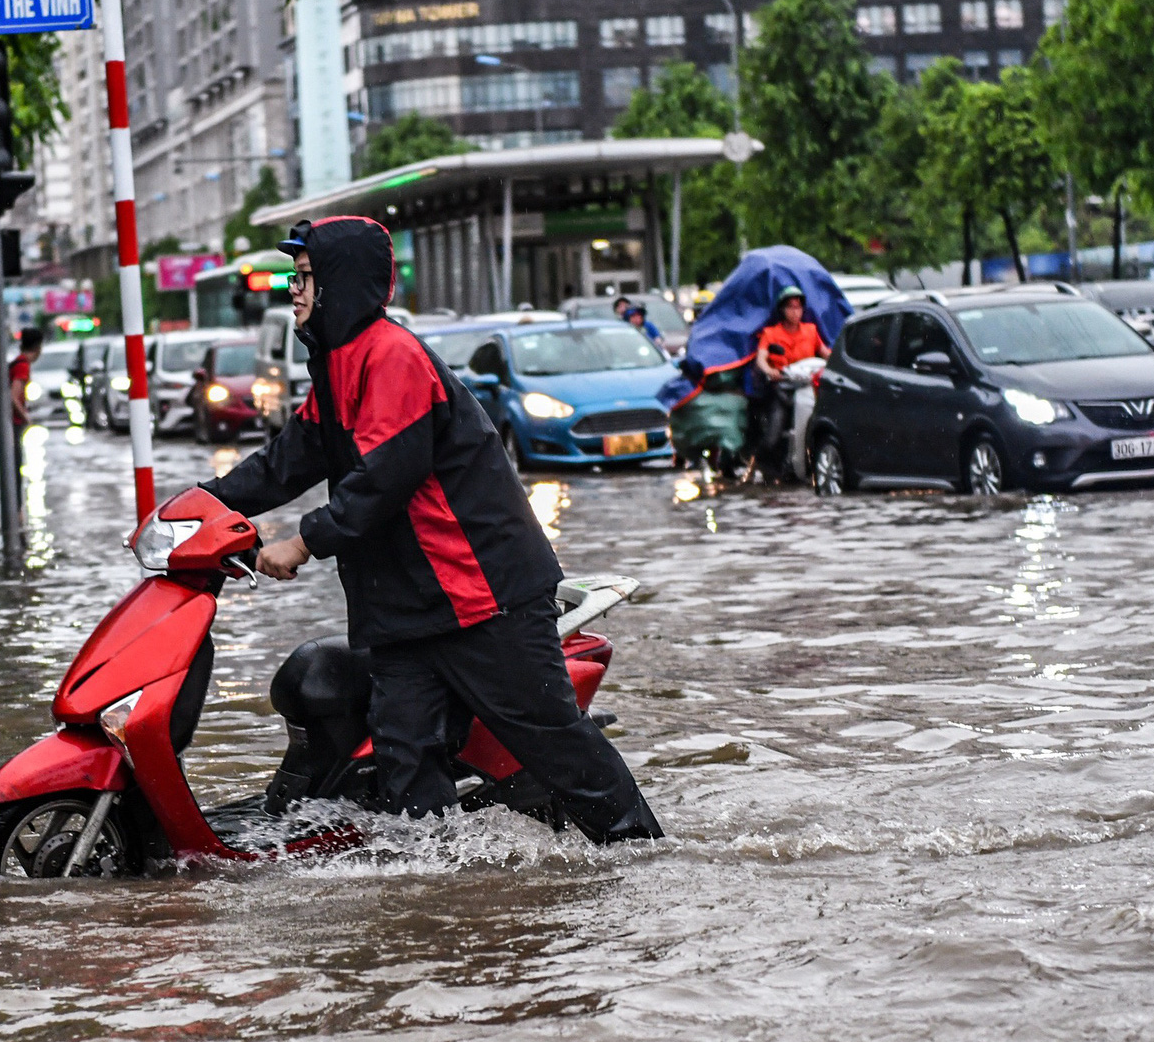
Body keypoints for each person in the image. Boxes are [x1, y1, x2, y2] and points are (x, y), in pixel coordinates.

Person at [198, 216, 663, 844]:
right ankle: (439, 890)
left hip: (482, 598)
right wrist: (199, 504)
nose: (294, 291)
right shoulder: (337, 368)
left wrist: (301, 542)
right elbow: (287, 461)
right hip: (408, 610)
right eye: (293, 278)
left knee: (553, 743)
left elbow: (382, 481)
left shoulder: (392, 358)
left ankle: (642, 854)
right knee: (405, 758)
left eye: (305, 278)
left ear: (343, 284)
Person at [748, 285, 825, 477]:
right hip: (781, 387)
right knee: (772, 437)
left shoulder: (811, 331)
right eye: (791, 307)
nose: (795, 311)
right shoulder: (771, 334)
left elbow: (825, 353)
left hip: (806, 387)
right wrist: (769, 370)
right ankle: (764, 468)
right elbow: (761, 358)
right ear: (782, 310)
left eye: (798, 307)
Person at [8, 327, 42, 501]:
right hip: (13, 423)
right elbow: (14, 396)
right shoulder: (22, 366)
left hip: (11, 422)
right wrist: (26, 417)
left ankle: (16, 509)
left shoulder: (17, 362)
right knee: (15, 466)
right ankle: (17, 510)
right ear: (38, 347)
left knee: (14, 467)